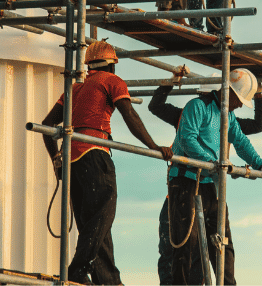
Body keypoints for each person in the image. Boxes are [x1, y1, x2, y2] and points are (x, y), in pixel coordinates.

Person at [41, 41, 174, 285]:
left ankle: (108, 280)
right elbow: (129, 114)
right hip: (94, 152)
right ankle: (78, 270)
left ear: (89, 65)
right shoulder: (112, 81)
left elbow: (47, 127)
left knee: (93, 223)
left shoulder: (75, 89)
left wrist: (56, 160)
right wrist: (153, 146)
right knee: (103, 215)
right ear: (112, 65)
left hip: (72, 159)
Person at [150, 70, 262, 284]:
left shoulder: (228, 116)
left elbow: (241, 141)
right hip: (186, 182)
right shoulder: (197, 107)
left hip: (209, 184)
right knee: (186, 244)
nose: (241, 105)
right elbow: (187, 139)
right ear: (228, 91)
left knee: (223, 243)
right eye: (240, 99)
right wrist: (212, 163)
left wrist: (261, 165)